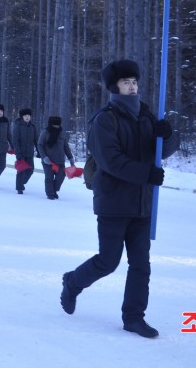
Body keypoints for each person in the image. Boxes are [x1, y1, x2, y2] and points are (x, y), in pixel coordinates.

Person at [61, 59, 174, 339]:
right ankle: (73, 282)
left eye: (135, 82)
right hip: (113, 203)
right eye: (126, 82)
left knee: (141, 265)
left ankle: (134, 317)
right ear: (115, 87)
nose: (132, 86)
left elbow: (162, 152)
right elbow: (110, 160)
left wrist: (168, 136)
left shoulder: (147, 116)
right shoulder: (105, 119)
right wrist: (146, 173)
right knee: (108, 261)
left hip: (142, 204)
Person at [38, 116, 75, 200]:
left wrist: (71, 158)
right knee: (49, 177)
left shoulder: (62, 133)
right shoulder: (45, 133)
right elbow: (39, 145)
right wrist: (44, 157)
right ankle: (50, 194)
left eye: (58, 125)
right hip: (48, 161)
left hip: (60, 161)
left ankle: (54, 190)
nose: (56, 127)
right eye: (54, 125)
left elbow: (66, 147)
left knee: (61, 177)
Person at [11, 108, 39, 194]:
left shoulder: (33, 127)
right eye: (25, 116)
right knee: (21, 170)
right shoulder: (17, 126)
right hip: (21, 152)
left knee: (30, 170)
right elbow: (15, 140)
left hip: (30, 152)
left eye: (28, 116)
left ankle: (22, 182)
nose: (27, 117)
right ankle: (19, 188)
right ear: (22, 117)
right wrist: (18, 152)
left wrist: (39, 151)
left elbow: (36, 140)